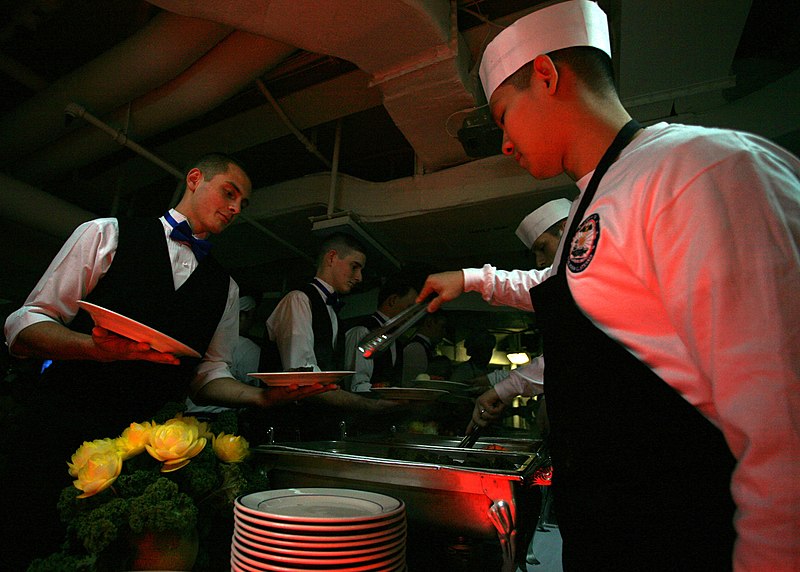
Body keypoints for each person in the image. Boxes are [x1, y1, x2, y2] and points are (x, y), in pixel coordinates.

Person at [417, 1, 800, 570]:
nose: (504, 143)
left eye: (503, 116)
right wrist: (472, 280)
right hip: (611, 529)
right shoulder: (590, 203)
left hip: (685, 537)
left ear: (545, 76)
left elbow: (783, 430)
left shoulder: (698, 170)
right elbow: (560, 286)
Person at [1, 153, 333, 570]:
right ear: (194, 179)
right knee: (33, 543)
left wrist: (260, 398)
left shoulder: (225, 287)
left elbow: (209, 375)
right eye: (229, 194)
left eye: (242, 205)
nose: (235, 209)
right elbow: (25, 323)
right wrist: (92, 348)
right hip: (58, 429)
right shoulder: (107, 233)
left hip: (148, 454)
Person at [260, 232, 401, 439]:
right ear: (332, 258)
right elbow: (303, 378)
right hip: (287, 430)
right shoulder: (298, 300)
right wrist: (368, 404)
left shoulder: (333, 311)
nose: (360, 277)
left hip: (318, 430)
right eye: (355, 266)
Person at [185, 294, 262, 416]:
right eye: (252, 317)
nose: (253, 322)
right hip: (214, 416)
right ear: (241, 316)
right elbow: (254, 383)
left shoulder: (204, 341)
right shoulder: (247, 347)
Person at [343, 273, 419, 393]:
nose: (413, 315)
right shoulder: (363, 331)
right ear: (393, 300)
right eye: (410, 307)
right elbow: (357, 385)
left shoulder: (397, 340)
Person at [400, 310, 447, 385]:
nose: (444, 333)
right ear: (429, 323)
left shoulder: (420, 347)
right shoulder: (416, 348)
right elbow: (413, 382)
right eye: (442, 327)